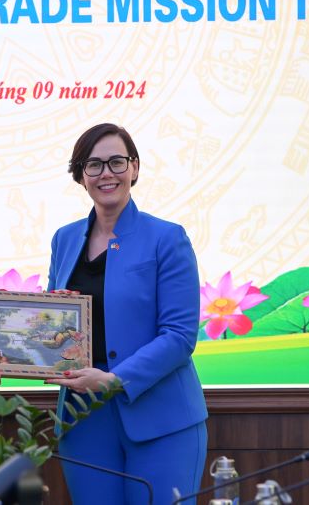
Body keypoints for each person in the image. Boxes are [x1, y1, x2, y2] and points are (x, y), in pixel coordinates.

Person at [46, 123, 208, 505]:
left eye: (117, 162)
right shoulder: (64, 239)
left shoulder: (168, 237)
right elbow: (54, 323)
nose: (107, 174)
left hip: (161, 419)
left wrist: (115, 380)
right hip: (83, 418)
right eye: (94, 165)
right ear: (80, 175)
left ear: (134, 167)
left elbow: (180, 335)